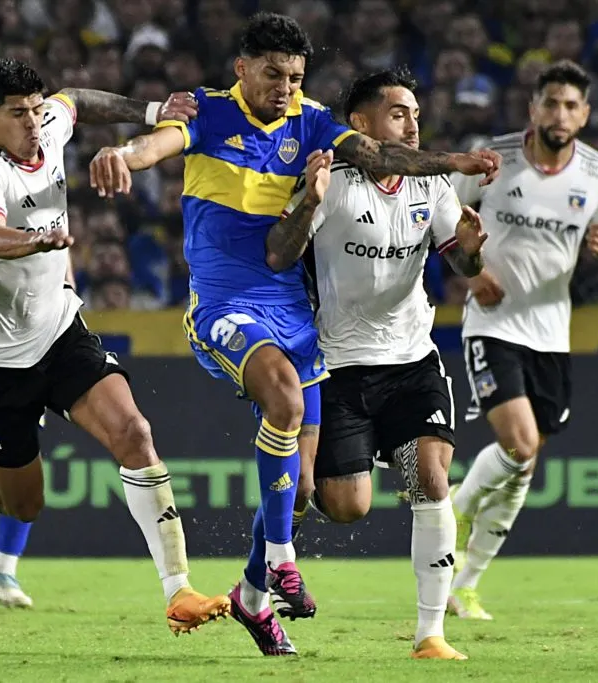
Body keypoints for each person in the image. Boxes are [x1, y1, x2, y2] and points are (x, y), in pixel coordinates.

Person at [88, 12, 501, 656]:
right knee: (304, 445)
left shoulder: (315, 124)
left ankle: (283, 599)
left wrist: (463, 217)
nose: (285, 86)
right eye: (274, 73)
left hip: (333, 330)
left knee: (358, 484)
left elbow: (399, 178)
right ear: (242, 68)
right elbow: (160, 148)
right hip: (238, 305)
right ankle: (279, 556)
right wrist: (124, 155)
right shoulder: (207, 112)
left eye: (296, 76)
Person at [0, 57, 230, 635]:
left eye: (35, 109)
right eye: (16, 114)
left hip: (59, 331)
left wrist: (153, 111)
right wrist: (37, 240)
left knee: (135, 433)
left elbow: (78, 98)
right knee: (22, 504)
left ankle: (178, 589)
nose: (32, 123)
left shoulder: (49, 123)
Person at [271, 68, 487, 660]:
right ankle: (295, 487)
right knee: (346, 507)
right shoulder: (332, 180)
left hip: (412, 362)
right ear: (360, 126)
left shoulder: (433, 185)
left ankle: (430, 634)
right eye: (399, 114)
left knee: (428, 482)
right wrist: (306, 203)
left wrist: (469, 252)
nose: (413, 125)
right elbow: (277, 254)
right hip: (339, 367)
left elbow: (462, 267)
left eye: (416, 113)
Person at [446, 60, 598, 620]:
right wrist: (472, 271)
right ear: (533, 108)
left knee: (526, 463)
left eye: (572, 105)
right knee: (520, 444)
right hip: (492, 323)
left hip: (552, 332)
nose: (560, 114)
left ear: (586, 114)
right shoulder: (492, 158)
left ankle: (466, 585)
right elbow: (438, 218)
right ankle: (456, 509)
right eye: (551, 103)